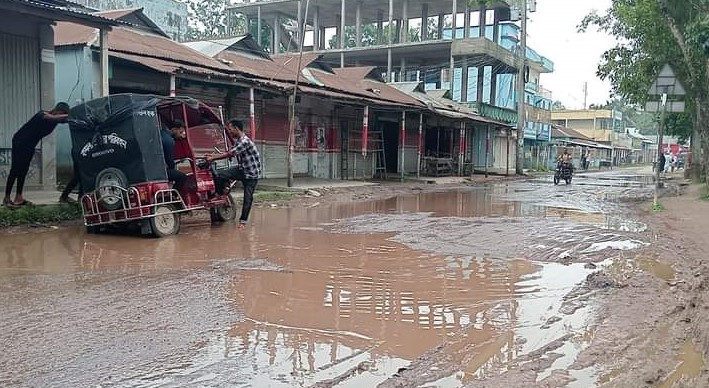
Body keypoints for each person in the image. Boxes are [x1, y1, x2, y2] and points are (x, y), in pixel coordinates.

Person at [4, 102, 70, 208]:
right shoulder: (42, 114)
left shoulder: (55, 122)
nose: (61, 117)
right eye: (62, 113)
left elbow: (64, 120)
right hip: (20, 141)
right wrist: (67, 115)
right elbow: (49, 117)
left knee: (23, 170)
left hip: (30, 145)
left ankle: (18, 197)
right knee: (15, 169)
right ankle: (7, 198)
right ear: (56, 110)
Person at [206, 119, 261, 229]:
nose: (229, 132)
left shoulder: (245, 141)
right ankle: (223, 191)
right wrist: (214, 156)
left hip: (251, 174)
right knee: (220, 175)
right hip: (242, 169)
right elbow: (230, 153)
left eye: (230, 129)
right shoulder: (239, 141)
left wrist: (213, 158)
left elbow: (231, 153)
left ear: (236, 128)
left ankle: (242, 222)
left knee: (248, 198)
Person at [161, 119, 188, 193]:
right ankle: (174, 196)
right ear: (175, 129)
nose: (181, 135)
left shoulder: (161, 134)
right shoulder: (169, 140)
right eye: (181, 132)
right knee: (182, 177)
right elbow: (169, 161)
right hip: (160, 171)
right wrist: (173, 166)